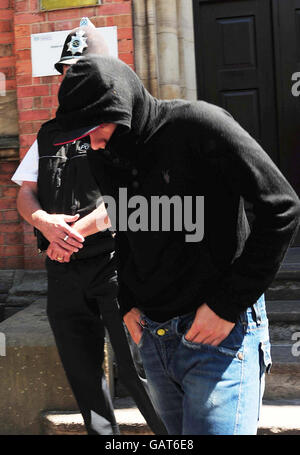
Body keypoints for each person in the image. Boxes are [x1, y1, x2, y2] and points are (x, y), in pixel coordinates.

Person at [53, 55, 300, 435]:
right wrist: (127, 303)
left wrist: (227, 303)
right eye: (80, 134)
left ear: (122, 108)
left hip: (221, 336)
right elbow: (127, 225)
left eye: (95, 126)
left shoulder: (200, 125)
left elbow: (281, 207)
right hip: (155, 338)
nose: (91, 142)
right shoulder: (104, 154)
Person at [12, 21, 166, 436]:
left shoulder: (124, 126)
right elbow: (25, 194)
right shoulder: (48, 134)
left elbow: (146, 202)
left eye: (82, 68)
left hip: (115, 268)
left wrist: (77, 231)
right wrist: (42, 220)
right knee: (85, 380)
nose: (70, 78)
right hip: (62, 274)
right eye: (66, 69)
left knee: (140, 375)